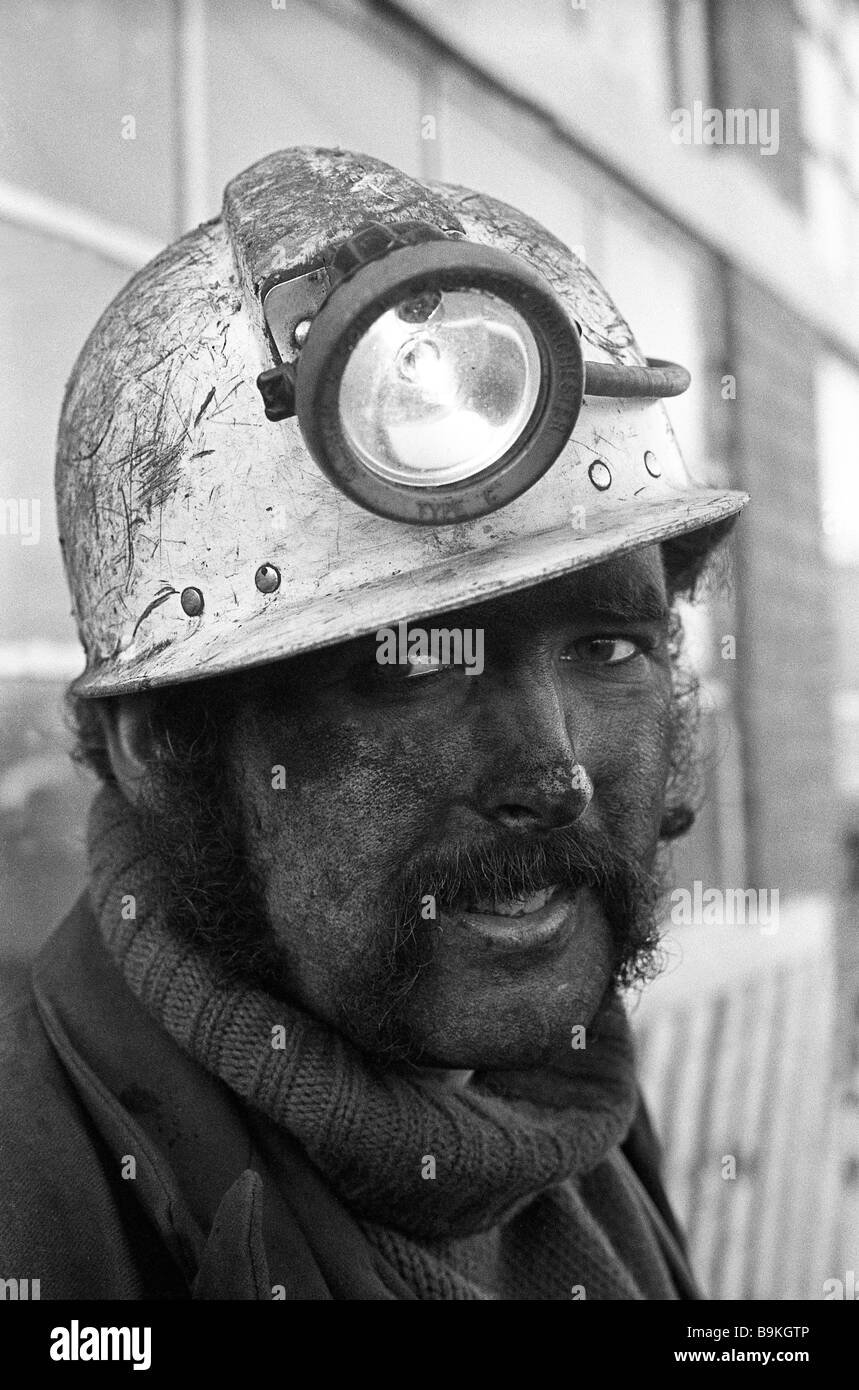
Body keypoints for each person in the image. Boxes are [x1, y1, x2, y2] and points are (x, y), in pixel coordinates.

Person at [0, 147, 747, 1300]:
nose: (553, 773)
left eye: (607, 648)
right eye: (409, 674)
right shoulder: (38, 1214)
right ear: (159, 745)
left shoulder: (559, 1090)